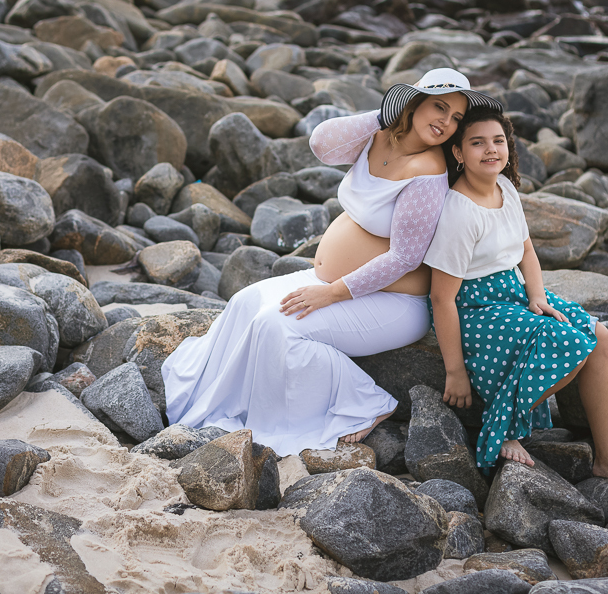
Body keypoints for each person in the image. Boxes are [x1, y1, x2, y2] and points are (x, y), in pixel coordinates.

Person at [162, 69, 504, 457]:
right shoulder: (378, 137)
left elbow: (404, 258)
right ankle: (217, 402)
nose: (446, 122)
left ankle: (365, 405)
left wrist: (330, 294)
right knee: (244, 302)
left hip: (395, 303)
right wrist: (383, 115)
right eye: (439, 107)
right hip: (341, 282)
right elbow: (321, 143)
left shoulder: (429, 170)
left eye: (457, 117)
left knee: (277, 327)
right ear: (414, 103)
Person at [424, 106, 608, 497]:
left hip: (515, 292)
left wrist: (536, 296)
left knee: (598, 337)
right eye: (477, 143)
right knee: (564, 342)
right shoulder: (459, 212)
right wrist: (455, 371)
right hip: (477, 307)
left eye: (498, 141)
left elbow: (526, 250)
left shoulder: (506, 189)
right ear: (459, 153)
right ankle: (504, 428)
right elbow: (441, 297)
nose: (491, 150)